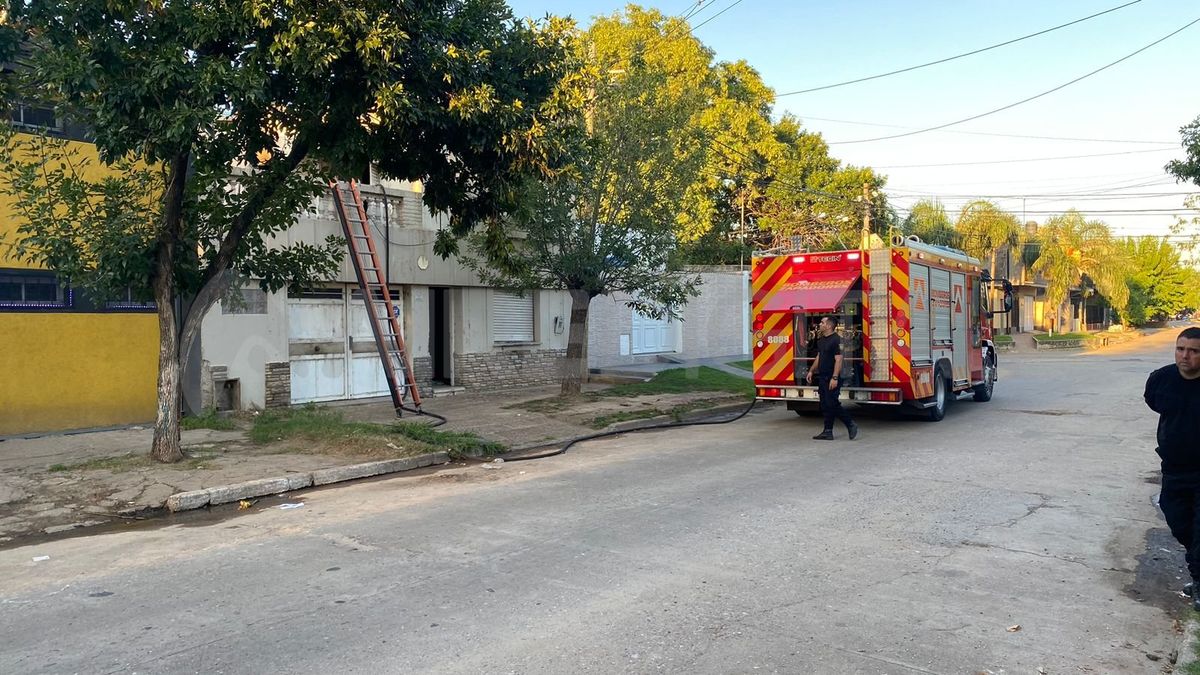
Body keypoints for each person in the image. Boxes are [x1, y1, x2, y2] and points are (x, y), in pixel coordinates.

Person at [1145, 326, 1200, 609]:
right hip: (1174, 469)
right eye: (1181, 349)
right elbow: (1153, 402)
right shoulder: (1161, 380)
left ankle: (1198, 581)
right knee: (1179, 523)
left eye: (1193, 351)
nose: (1185, 356)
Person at [805, 315, 859, 441]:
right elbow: (819, 356)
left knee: (832, 403)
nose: (820, 324)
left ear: (829, 326)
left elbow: (838, 360)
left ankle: (850, 424)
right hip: (822, 376)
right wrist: (811, 371)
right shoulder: (821, 340)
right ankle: (827, 431)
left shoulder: (837, 340)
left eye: (822, 322)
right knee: (824, 404)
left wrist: (834, 378)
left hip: (832, 377)